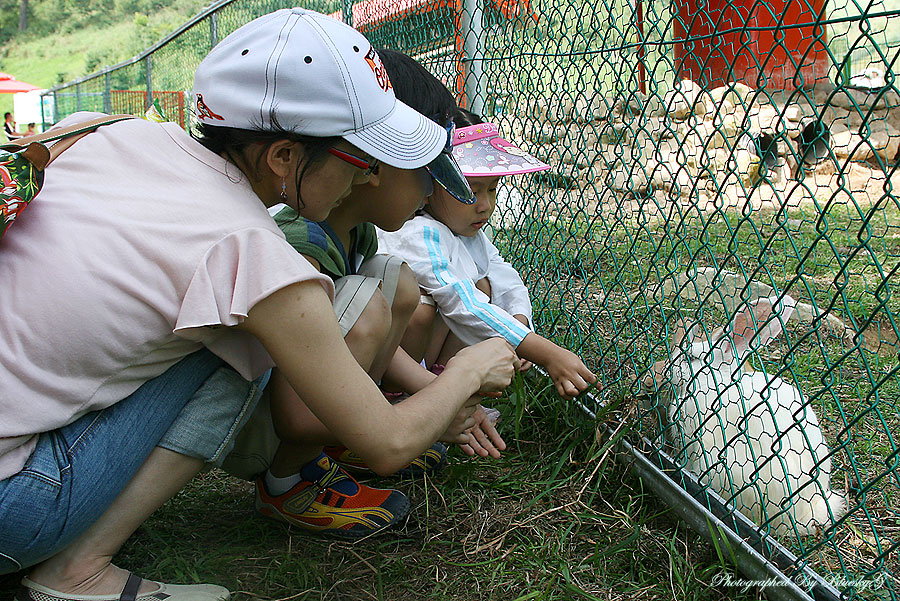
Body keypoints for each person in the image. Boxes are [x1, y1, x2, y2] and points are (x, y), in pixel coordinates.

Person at [0, 9, 517, 601]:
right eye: (362, 158)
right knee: (240, 340)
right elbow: (388, 443)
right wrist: (469, 371)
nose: (372, 175)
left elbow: (48, 152)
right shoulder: (254, 254)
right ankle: (77, 571)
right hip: (13, 511)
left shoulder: (122, 133)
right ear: (283, 158)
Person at [229, 51, 507, 538]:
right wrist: (443, 393)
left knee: (393, 281)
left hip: (307, 395)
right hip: (258, 419)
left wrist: (432, 397)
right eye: (424, 175)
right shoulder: (301, 244)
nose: (428, 196)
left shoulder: (356, 232)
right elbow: (295, 408)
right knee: (367, 306)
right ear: (375, 164)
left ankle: (338, 441)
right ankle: (287, 481)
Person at [378, 108, 595, 400]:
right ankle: (403, 400)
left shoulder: (466, 231)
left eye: (492, 190)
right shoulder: (418, 234)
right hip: (387, 363)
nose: (485, 205)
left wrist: (519, 321)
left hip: (425, 354)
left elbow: (502, 272)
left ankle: (446, 387)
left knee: (485, 284)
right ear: (430, 184)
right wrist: (542, 350)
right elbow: (460, 301)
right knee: (427, 307)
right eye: (470, 190)